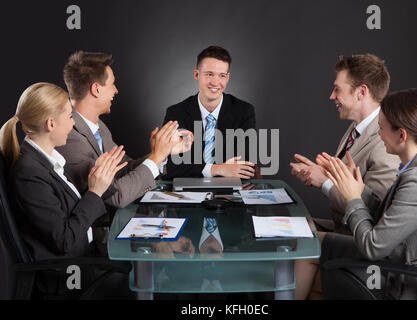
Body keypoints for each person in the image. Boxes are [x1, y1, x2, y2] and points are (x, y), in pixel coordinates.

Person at [301, 88, 417, 300]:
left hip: (397, 279)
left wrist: (353, 198)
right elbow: (386, 217)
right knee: (309, 256)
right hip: (392, 262)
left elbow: (373, 246)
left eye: (381, 129)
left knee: (306, 254)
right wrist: (361, 191)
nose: (379, 135)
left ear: (402, 135)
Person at [0, 83, 133, 297]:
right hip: (68, 278)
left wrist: (101, 178)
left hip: (86, 260)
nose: (73, 124)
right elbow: (64, 240)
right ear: (51, 123)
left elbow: (76, 210)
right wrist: (94, 192)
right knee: (141, 279)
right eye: (70, 117)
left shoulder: (50, 160)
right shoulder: (28, 173)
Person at [56, 51, 193, 210]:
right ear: (96, 89)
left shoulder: (98, 126)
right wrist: (156, 156)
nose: (116, 90)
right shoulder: (68, 137)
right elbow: (116, 196)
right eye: (112, 84)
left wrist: (163, 152)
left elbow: (124, 168)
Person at [290, 54, 399, 235]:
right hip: (343, 230)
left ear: (361, 92)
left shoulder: (385, 142)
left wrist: (325, 182)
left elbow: (375, 212)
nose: (331, 96)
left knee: (294, 241)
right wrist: (322, 173)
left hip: (360, 243)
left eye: (337, 89)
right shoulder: (355, 128)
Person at [162, 45, 256, 179]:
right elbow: (171, 168)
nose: (215, 82)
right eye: (209, 74)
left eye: (222, 75)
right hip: (188, 194)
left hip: (229, 193)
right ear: (197, 75)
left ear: (227, 78)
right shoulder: (176, 113)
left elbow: (246, 166)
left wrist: (195, 168)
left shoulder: (244, 111)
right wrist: (219, 169)